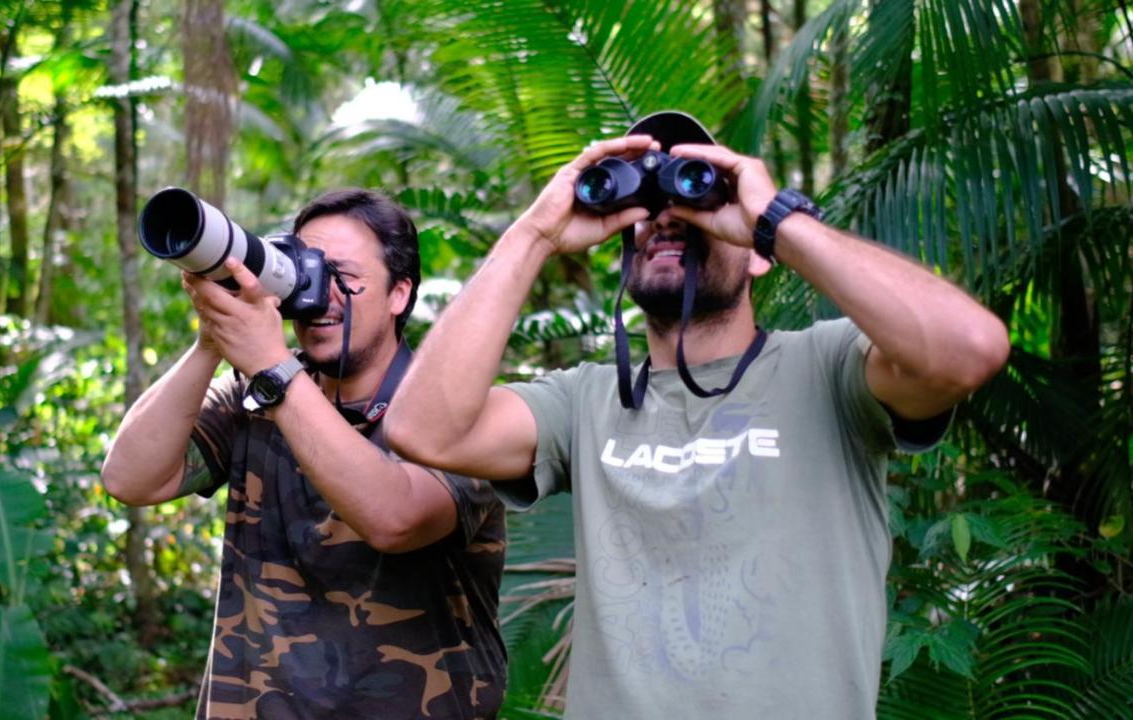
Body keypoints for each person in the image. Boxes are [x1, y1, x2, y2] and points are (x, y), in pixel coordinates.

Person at [385, 112, 1010, 718]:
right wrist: (535, 236)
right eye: (647, 205)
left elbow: (967, 351)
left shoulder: (830, 368)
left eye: (691, 192)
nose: (665, 216)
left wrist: (776, 219)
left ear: (759, 253)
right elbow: (421, 430)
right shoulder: (584, 401)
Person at [101, 189, 507, 719]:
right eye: (308, 270)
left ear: (398, 294)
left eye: (346, 276)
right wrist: (213, 340)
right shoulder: (256, 392)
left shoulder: (455, 413)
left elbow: (396, 519)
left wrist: (272, 367)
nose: (322, 293)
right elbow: (131, 479)